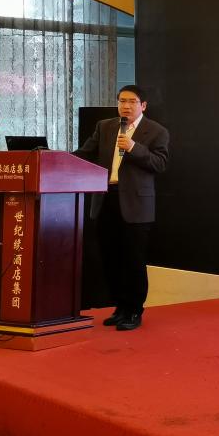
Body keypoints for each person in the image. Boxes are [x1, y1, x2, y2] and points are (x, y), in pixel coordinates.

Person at [75, 85, 169, 331]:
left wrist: (134, 147)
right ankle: (120, 307)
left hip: (136, 204)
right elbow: (85, 154)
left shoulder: (156, 131)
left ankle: (134, 310)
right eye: (122, 101)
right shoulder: (105, 126)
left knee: (133, 259)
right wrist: (55, 158)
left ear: (143, 105)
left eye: (132, 101)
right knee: (110, 257)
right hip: (106, 199)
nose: (126, 106)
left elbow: (160, 163)